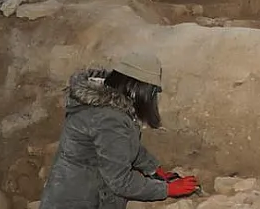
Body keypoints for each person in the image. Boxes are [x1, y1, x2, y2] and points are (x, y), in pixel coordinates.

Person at [38, 52, 199, 209]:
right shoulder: (108, 118)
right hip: (77, 201)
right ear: (137, 89)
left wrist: (153, 169)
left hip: (79, 193)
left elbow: (122, 145)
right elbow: (120, 181)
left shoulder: (110, 105)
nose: (151, 99)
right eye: (151, 92)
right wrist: (167, 189)